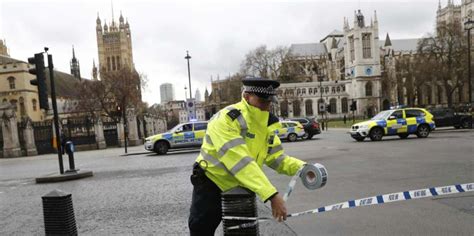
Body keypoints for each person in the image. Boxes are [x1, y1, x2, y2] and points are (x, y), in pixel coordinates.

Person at [188, 77, 314, 235]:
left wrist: (303, 168)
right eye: (262, 101)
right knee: (201, 229)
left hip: (240, 187)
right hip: (211, 182)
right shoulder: (227, 118)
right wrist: (272, 195)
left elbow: (277, 158)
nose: (266, 106)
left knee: (242, 232)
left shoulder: (264, 125)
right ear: (246, 96)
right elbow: (240, 162)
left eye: (269, 102)